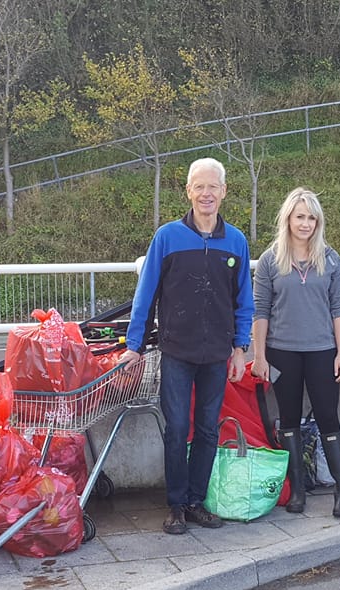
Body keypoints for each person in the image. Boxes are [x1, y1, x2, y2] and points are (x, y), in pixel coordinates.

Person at [121, 157, 253, 535]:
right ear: (189, 191)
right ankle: (176, 505)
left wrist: (241, 348)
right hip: (176, 350)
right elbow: (146, 295)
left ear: (224, 191)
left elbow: (244, 299)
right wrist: (133, 345)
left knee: (208, 429)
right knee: (178, 428)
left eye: (214, 186)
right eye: (200, 186)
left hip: (217, 353)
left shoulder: (236, 241)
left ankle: (197, 501)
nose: (207, 193)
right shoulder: (168, 237)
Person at [251, 188, 340, 517]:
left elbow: (339, 307)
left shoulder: (331, 258)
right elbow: (260, 311)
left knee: (328, 419)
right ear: (288, 219)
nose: (305, 223)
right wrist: (260, 356)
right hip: (282, 353)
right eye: (300, 216)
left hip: (322, 351)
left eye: (311, 217)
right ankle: (298, 491)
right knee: (289, 420)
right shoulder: (270, 260)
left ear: (318, 221)